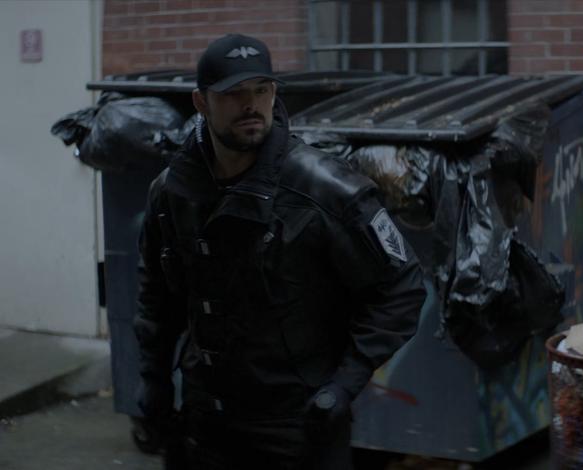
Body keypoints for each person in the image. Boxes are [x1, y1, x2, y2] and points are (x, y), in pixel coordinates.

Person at [133, 33, 427, 470]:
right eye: (234, 94)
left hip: (298, 426)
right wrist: (153, 384)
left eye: (262, 90)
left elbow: (400, 286)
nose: (251, 105)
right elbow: (157, 298)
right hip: (204, 419)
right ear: (201, 102)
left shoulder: (325, 189)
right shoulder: (172, 193)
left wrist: (343, 385)